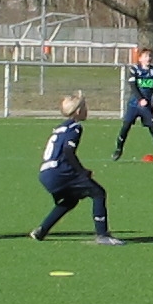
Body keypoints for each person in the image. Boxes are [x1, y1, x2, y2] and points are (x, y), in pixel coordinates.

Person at [31, 94, 124, 245]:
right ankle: (102, 235)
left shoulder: (60, 127)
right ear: (78, 111)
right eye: (85, 107)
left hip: (46, 173)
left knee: (70, 200)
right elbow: (68, 150)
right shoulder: (75, 127)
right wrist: (82, 172)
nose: (87, 110)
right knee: (98, 193)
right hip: (60, 171)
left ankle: (42, 230)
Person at [113, 46, 153, 163]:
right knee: (126, 126)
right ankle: (118, 149)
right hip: (134, 105)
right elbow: (133, 86)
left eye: (149, 56)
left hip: (147, 106)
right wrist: (140, 99)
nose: (148, 58)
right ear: (140, 58)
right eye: (145, 56)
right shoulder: (135, 70)